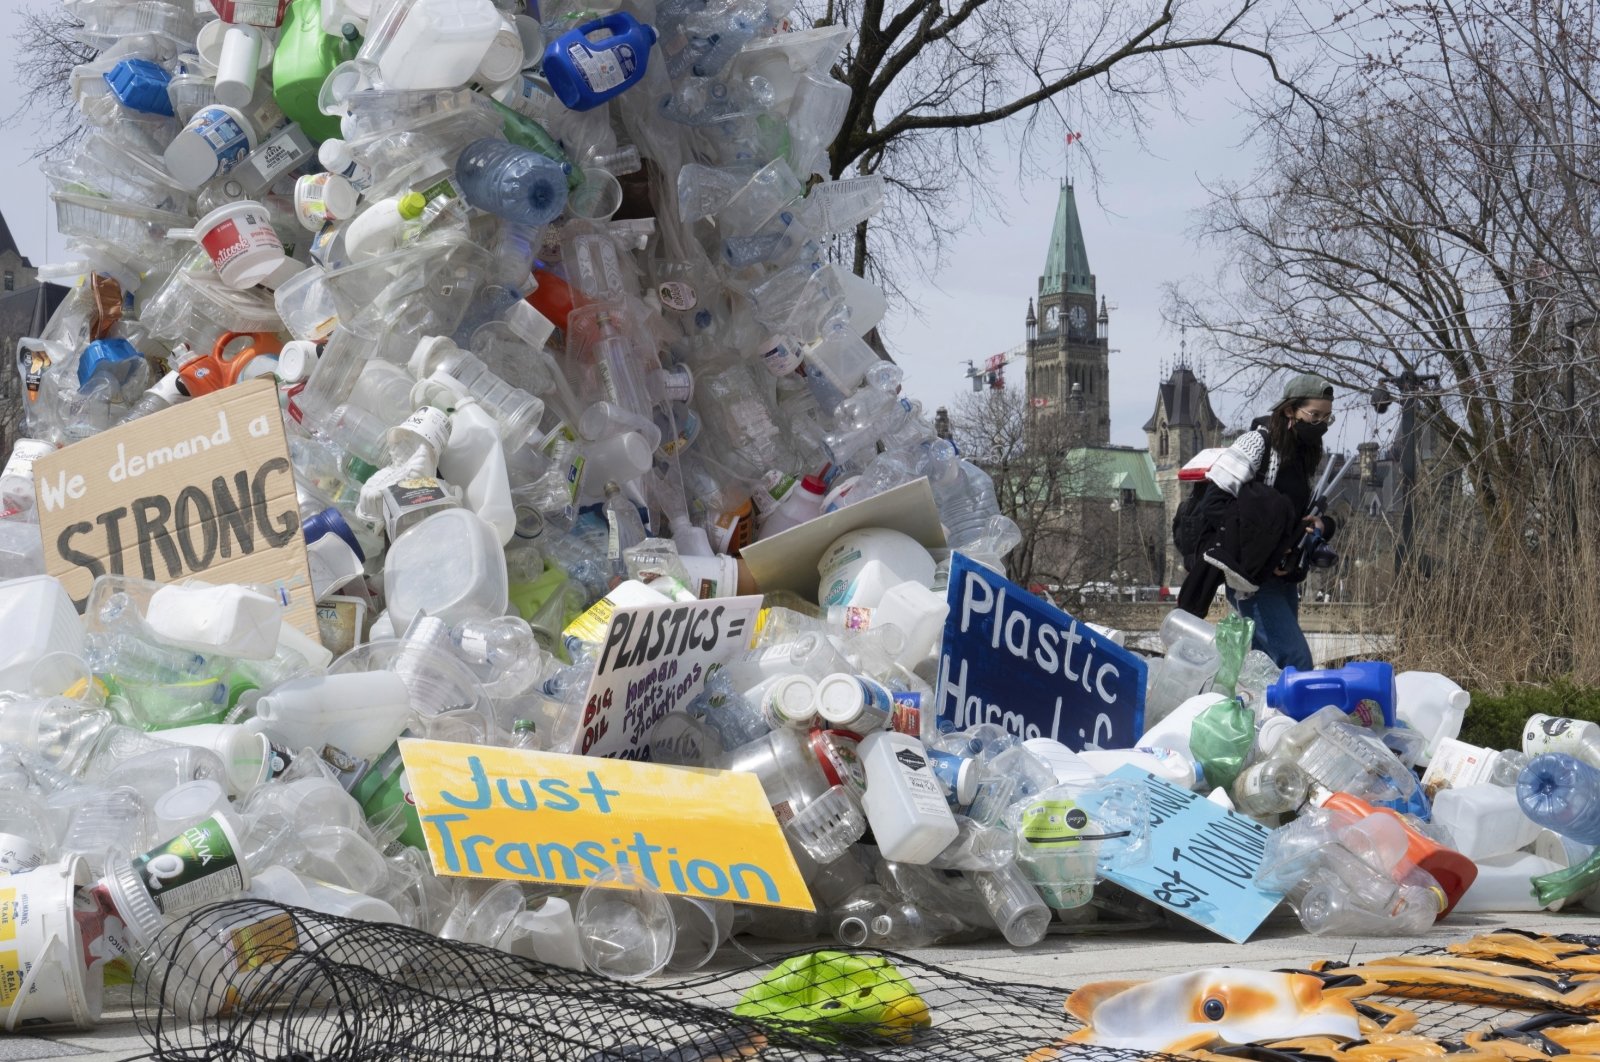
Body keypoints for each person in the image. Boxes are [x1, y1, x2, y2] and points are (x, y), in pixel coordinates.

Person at [1175, 373, 1339, 671]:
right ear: (1290, 410)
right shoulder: (1256, 443)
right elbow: (1214, 504)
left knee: (1264, 667)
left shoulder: (1305, 454)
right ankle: (1297, 716)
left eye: (1327, 418)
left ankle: (1264, 716)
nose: (1320, 424)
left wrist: (1320, 524)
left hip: (1284, 577)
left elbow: (1291, 516)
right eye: (1314, 415)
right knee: (1295, 660)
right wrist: (1267, 549)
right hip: (1251, 579)